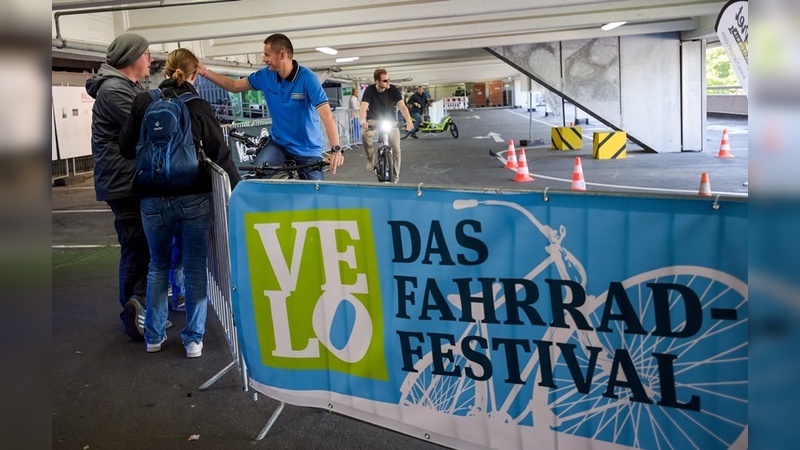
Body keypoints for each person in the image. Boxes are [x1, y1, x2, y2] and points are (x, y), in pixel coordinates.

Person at [119, 48, 241, 358]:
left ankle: (154, 337)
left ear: (166, 70)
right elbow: (220, 153)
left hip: (151, 199)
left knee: (158, 265)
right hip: (193, 197)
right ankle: (193, 340)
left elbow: (126, 149)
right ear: (194, 73)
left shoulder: (144, 101)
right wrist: (236, 190)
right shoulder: (197, 105)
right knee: (195, 266)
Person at [86, 33, 157, 340]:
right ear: (131, 58)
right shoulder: (115, 90)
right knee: (137, 248)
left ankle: (141, 307)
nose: (151, 60)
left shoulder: (125, 87)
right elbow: (151, 125)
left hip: (128, 180)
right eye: (147, 54)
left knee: (143, 247)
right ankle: (134, 311)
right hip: (124, 183)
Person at [197, 33, 344, 180]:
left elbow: (327, 116)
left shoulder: (308, 79)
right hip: (279, 145)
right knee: (254, 179)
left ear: (282, 55)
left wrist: (336, 150)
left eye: (267, 54)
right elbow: (234, 86)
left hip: (307, 150)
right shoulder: (264, 76)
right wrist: (204, 72)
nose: (264, 59)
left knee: (315, 194)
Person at [359, 68, 414, 182]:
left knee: (396, 149)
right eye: (385, 81)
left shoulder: (393, 89)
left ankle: (395, 176)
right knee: (365, 135)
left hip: (390, 120)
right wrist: (363, 120)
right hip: (373, 120)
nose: (388, 83)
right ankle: (371, 159)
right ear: (377, 81)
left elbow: (402, 106)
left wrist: (408, 120)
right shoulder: (369, 90)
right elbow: (363, 106)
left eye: (389, 80)